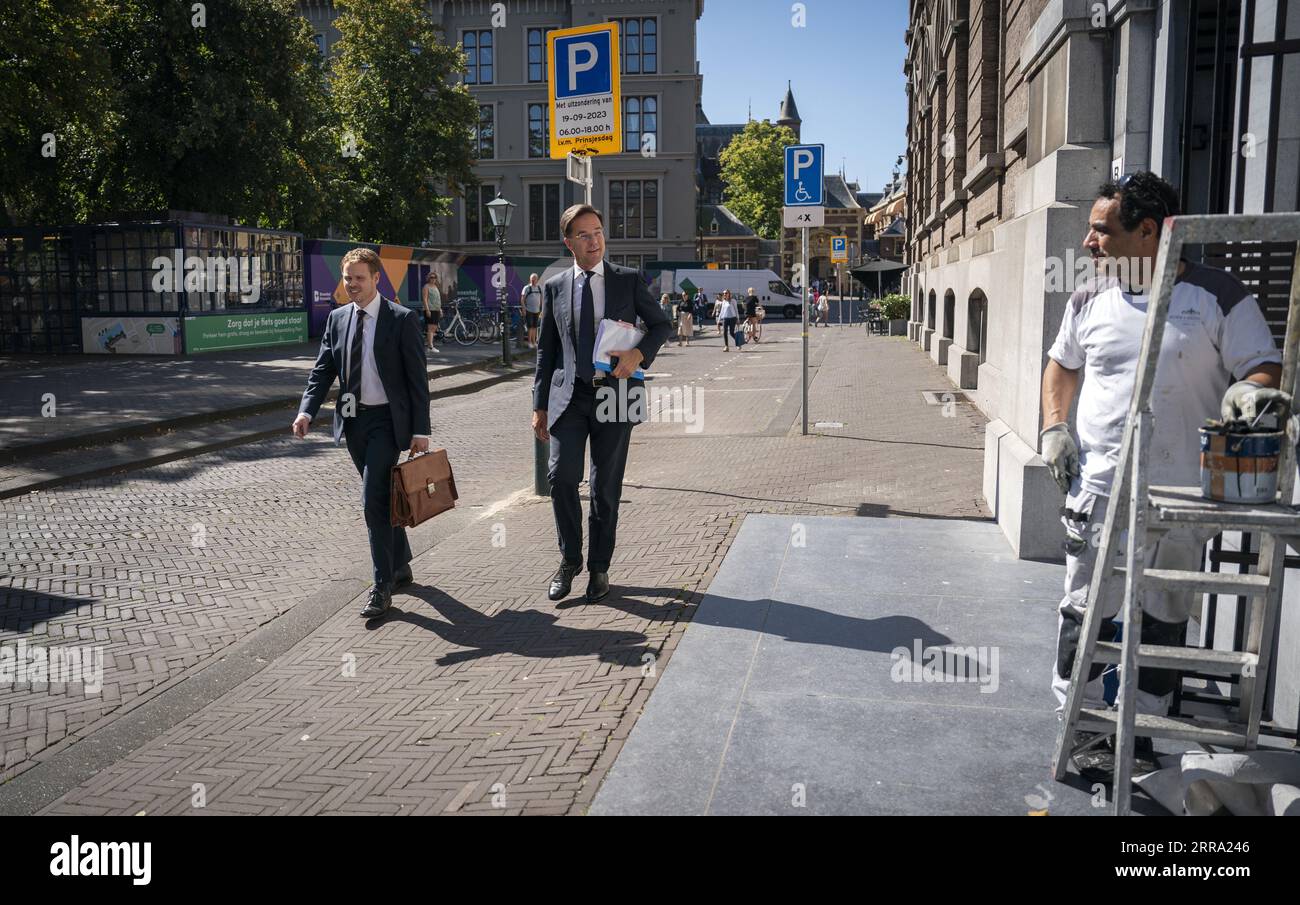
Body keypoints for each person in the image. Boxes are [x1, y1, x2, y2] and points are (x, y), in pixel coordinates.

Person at [1039, 171, 1286, 780]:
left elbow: (1262, 366)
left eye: (1101, 231)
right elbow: (1061, 366)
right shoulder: (1086, 298)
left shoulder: (1218, 297)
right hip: (1098, 488)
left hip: (1179, 496)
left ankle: (1140, 729)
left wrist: (1248, 397)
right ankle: (1083, 723)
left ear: (1147, 232)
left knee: (1165, 614)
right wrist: (1054, 426)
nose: (1089, 243)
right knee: (1084, 609)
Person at [532, 204, 671, 603]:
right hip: (570, 397)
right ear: (568, 242)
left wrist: (638, 355)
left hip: (615, 394)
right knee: (560, 480)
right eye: (583, 235)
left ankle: (599, 567)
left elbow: (659, 325)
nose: (593, 241)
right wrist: (539, 405)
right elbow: (546, 350)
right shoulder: (555, 286)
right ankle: (569, 559)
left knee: (604, 487)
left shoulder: (626, 281)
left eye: (597, 232)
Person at [294, 247, 432, 619]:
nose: (351, 284)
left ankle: (382, 585)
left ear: (376, 278)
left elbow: (417, 380)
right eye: (346, 277)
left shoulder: (401, 319)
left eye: (359, 278)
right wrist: (307, 410)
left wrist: (421, 430)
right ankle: (401, 565)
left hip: (388, 423)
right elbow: (323, 370)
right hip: (354, 421)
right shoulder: (338, 318)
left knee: (373, 500)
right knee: (384, 498)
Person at [521, 272, 543, 349]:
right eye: (532, 279)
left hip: (537, 311)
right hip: (529, 310)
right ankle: (530, 342)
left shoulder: (539, 288)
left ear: (537, 279)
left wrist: (542, 309)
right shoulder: (526, 288)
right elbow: (522, 299)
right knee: (530, 327)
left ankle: (534, 342)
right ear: (530, 280)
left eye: (534, 279)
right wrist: (524, 309)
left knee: (535, 327)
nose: (533, 281)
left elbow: (541, 299)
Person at [422, 271, 442, 353]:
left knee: (434, 328)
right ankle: (430, 347)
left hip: (436, 309)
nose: (433, 279)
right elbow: (425, 299)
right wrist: (427, 310)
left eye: (434, 277)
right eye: (431, 277)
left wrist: (440, 309)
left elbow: (438, 299)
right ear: (429, 278)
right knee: (431, 328)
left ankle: (430, 345)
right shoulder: (426, 287)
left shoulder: (435, 287)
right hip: (430, 309)